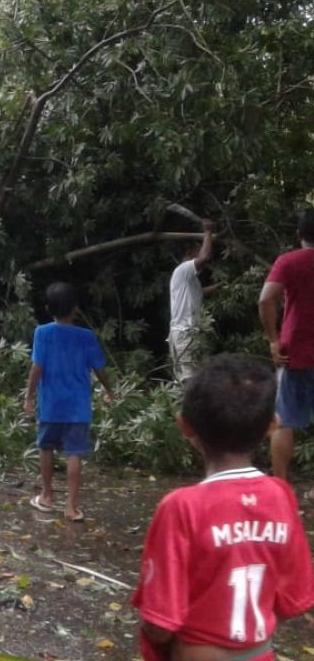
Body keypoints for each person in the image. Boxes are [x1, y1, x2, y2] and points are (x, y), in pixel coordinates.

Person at [133, 355, 314, 661]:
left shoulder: (181, 507)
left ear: (184, 426)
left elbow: (158, 623)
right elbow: (292, 598)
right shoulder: (281, 496)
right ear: (272, 425)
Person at [23, 282, 114, 522]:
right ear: (75, 308)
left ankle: (47, 496)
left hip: (51, 405)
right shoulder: (86, 337)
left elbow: (37, 367)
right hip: (78, 409)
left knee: (46, 448)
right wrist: (109, 390)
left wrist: (29, 397)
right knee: (74, 454)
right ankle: (71, 507)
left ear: (48, 308)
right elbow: (100, 369)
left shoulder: (42, 333)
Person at [258, 209, 314, 486]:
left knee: (284, 421)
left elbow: (265, 300)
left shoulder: (288, 262)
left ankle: (281, 487)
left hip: (295, 352)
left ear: (299, 234)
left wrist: (273, 338)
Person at [168, 220, 217, 383]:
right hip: (185, 333)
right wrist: (208, 232)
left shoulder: (189, 280)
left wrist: (223, 286)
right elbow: (205, 257)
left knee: (194, 380)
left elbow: (199, 293)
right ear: (190, 253)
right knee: (190, 382)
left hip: (187, 333)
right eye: (198, 249)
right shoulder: (183, 270)